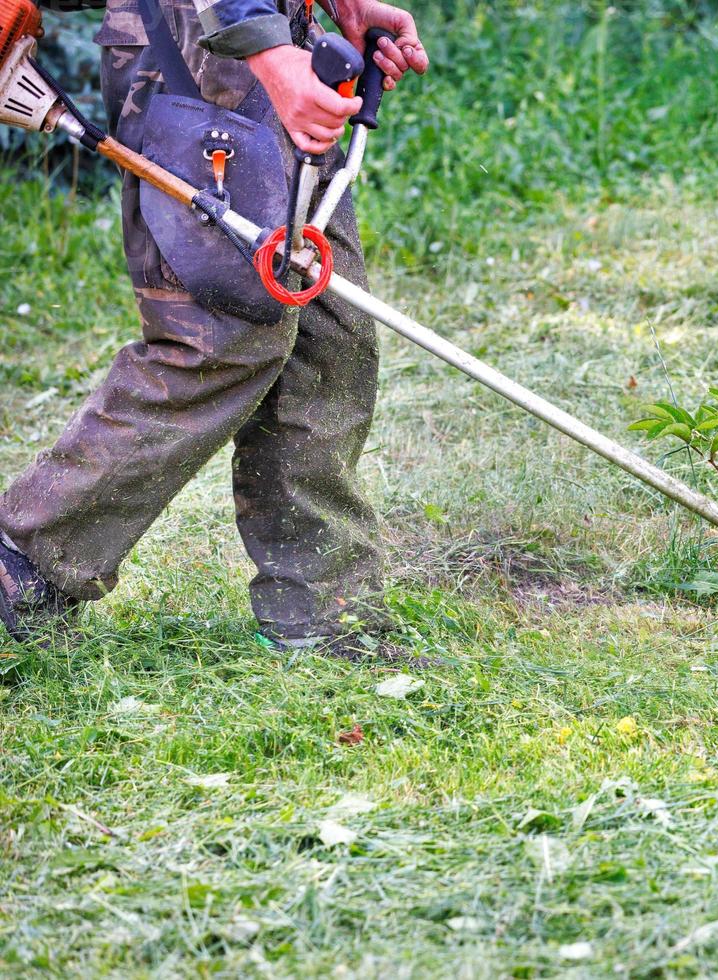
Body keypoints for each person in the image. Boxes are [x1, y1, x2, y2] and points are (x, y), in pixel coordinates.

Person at [0, 0, 428, 652]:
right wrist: (263, 45)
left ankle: (321, 611)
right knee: (218, 334)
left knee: (326, 329)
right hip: (201, 37)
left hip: (271, 26)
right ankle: (21, 565)